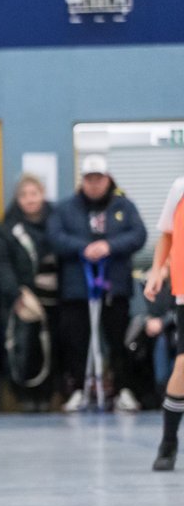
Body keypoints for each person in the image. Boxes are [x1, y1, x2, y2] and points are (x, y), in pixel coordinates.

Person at [49, 155, 147, 412]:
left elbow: (138, 235)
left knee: (118, 340)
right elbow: (55, 237)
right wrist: (84, 248)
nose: (94, 184)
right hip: (77, 288)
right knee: (76, 340)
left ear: (107, 179)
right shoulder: (66, 208)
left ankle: (123, 389)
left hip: (114, 287)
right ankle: (78, 389)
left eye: (98, 179)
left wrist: (109, 246)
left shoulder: (123, 206)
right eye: (89, 179)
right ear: (82, 181)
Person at [0, 174, 58, 410]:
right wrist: (15, 293)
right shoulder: (7, 229)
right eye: (24, 195)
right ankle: (26, 397)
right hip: (23, 300)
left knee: (53, 347)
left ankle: (48, 396)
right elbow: (2, 264)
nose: (30, 200)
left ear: (42, 195)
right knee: (25, 348)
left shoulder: (57, 221)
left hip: (54, 298)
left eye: (34, 194)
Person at [143, 173, 184, 471]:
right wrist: (158, 270)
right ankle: (168, 441)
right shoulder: (180, 187)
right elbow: (168, 235)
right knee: (183, 365)